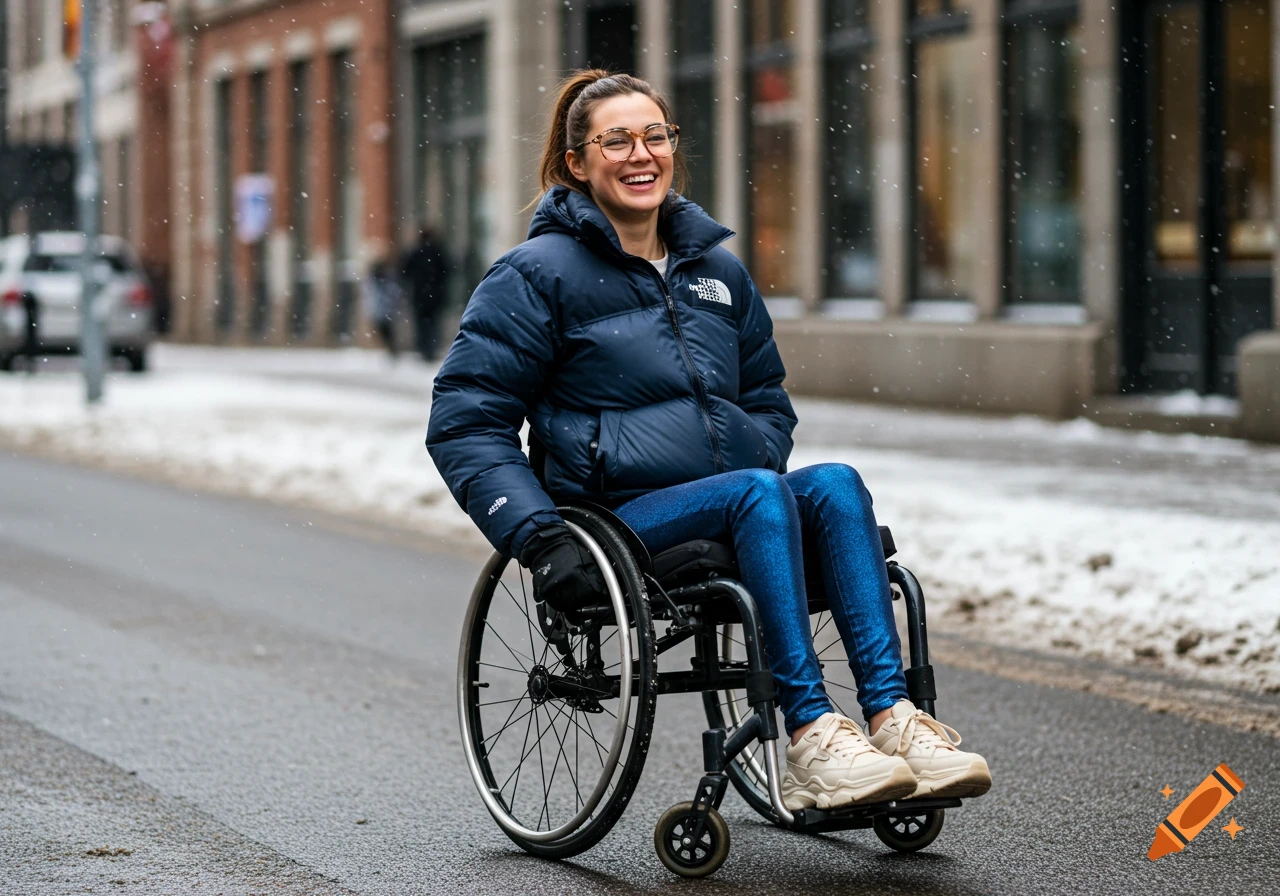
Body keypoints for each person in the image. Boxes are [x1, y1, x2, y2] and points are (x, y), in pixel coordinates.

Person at [426, 70, 991, 812]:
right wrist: (538, 536)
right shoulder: (534, 277)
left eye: (655, 135)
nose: (641, 154)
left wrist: (756, 453)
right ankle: (813, 733)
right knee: (757, 494)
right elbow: (466, 418)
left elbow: (765, 396)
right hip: (619, 521)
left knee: (834, 483)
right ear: (577, 163)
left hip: (736, 502)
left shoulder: (716, 272)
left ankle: (893, 720)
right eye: (617, 140)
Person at [400, 226, 449, 361]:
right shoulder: (438, 251)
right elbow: (447, 270)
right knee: (433, 322)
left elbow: (405, 271)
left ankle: (424, 349)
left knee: (422, 323)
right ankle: (432, 348)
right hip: (435, 294)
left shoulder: (417, 252)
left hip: (420, 295)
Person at [361, 257, 403, 360]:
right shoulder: (378, 281)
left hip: (383, 310)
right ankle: (391, 349)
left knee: (386, 331)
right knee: (385, 331)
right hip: (383, 310)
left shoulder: (384, 281)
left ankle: (392, 349)